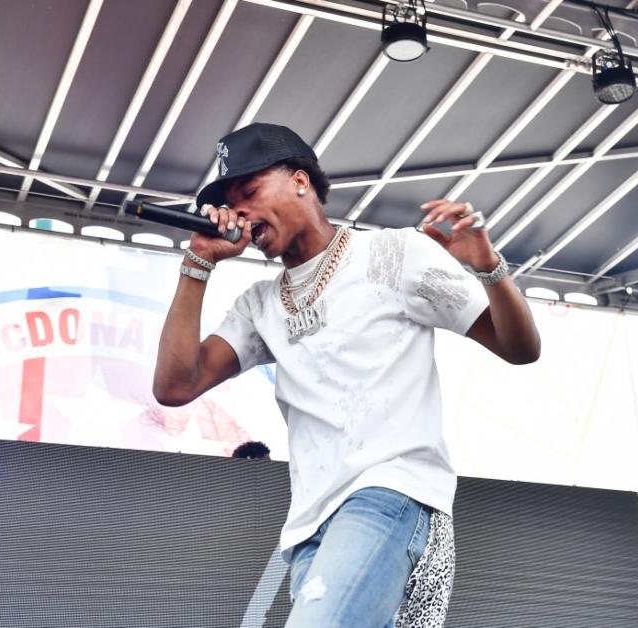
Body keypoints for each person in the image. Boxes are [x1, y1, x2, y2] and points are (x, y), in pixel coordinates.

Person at [153, 123, 540, 627]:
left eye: (248, 192)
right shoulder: (260, 306)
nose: (240, 211)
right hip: (312, 526)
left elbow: (520, 347)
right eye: (232, 202)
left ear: (299, 181)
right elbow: (174, 386)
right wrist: (198, 261)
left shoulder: (392, 255)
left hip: (392, 494)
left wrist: (488, 266)